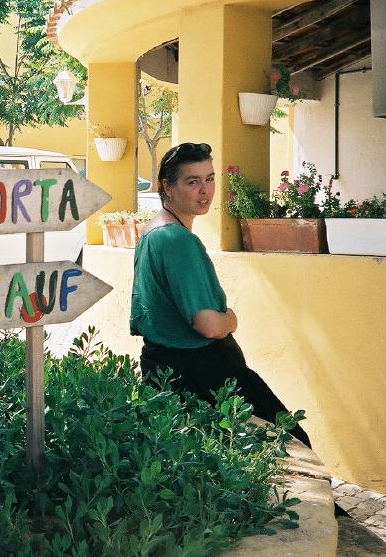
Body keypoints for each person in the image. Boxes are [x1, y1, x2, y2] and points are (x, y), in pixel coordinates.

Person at [131, 142, 312, 447]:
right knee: (292, 443)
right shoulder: (177, 241)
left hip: (164, 367)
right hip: (202, 371)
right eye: (192, 181)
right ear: (167, 187)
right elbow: (208, 325)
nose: (205, 190)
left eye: (210, 178)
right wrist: (231, 319)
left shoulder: (153, 231)